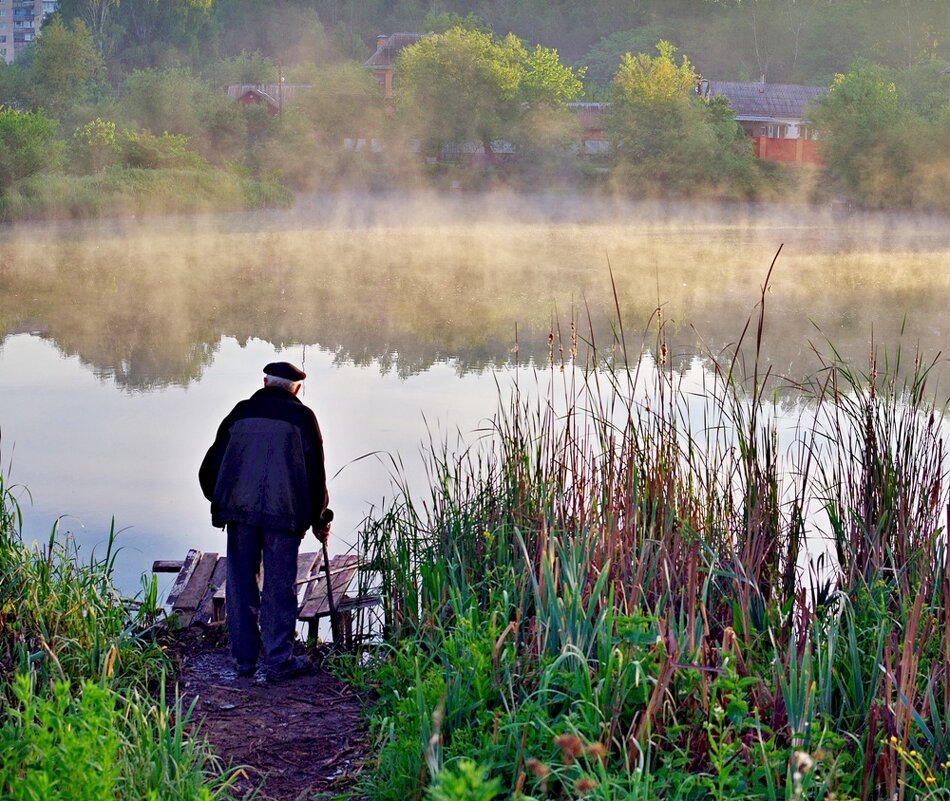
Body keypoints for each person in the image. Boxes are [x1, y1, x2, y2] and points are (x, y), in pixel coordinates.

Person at [199, 361, 330, 681]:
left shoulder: (240, 413)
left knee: (241, 584)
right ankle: (278, 660)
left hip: (239, 513)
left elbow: (209, 469)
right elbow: (315, 475)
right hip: (284, 515)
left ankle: (244, 661)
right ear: (296, 387)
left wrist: (222, 500)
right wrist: (320, 517)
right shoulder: (303, 417)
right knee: (279, 585)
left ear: (265, 382)